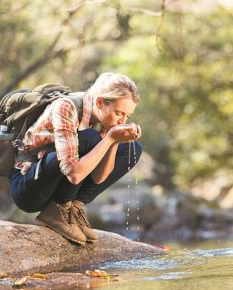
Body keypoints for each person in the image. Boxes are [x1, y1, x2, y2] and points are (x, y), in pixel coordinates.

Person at [9, 72, 142, 245]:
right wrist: (108, 138)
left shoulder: (101, 120)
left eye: (127, 116)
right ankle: (58, 209)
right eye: (119, 113)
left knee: (132, 149)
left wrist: (115, 141)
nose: (122, 121)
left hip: (54, 182)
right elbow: (74, 175)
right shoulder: (66, 106)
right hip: (28, 187)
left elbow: (98, 178)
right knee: (90, 139)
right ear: (100, 102)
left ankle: (74, 210)